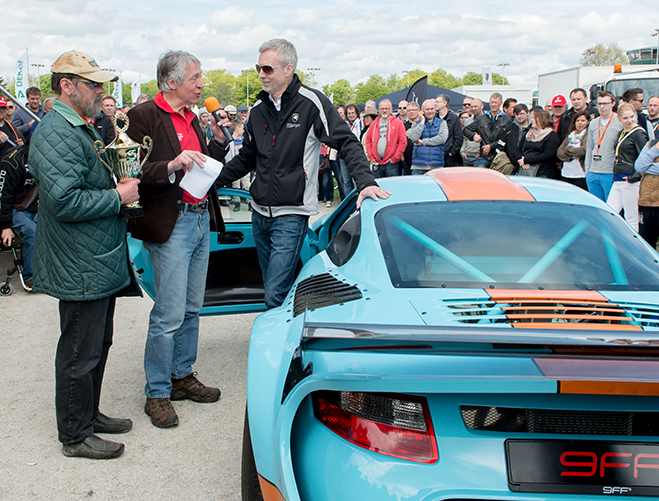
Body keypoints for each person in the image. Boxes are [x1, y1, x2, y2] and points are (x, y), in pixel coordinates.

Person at [215, 38, 389, 309]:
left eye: (267, 69)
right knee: (275, 288)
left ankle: (282, 348)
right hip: (258, 215)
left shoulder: (312, 102)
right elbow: (246, 159)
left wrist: (365, 182)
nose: (261, 74)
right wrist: (211, 183)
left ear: (288, 69)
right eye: (258, 68)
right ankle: (298, 331)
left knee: (274, 293)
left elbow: (346, 142)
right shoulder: (258, 111)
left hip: (292, 215)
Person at [28, 50, 140, 460]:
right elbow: (64, 202)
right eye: (93, 84)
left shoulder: (75, 127)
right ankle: (75, 435)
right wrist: (117, 195)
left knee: (97, 342)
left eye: (101, 85)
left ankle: (88, 415)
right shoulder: (57, 131)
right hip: (80, 263)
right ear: (66, 86)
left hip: (92, 258)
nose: (100, 91)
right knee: (80, 350)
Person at [126, 50, 229, 430]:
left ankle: (182, 376)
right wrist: (171, 164)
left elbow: (206, 164)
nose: (202, 83)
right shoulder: (143, 117)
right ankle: (157, 392)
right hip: (172, 224)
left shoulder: (193, 118)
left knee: (191, 307)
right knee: (168, 314)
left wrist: (217, 140)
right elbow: (132, 168)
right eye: (196, 77)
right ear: (172, 82)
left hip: (200, 219)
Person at [0, 145, 37, 287]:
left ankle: (49, 272)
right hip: (13, 210)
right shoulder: (11, 163)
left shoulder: (47, 158)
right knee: (32, 231)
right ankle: (30, 276)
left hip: (35, 206)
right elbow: (0, 197)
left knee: (54, 226)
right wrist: (5, 225)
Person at [608, 103, 648, 231]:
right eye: (625, 118)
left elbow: (645, 157)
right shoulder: (622, 132)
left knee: (631, 217)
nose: (629, 120)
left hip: (629, 179)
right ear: (619, 118)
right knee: (610, 212)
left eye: (632, 116)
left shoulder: (639, 133)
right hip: (618, 178)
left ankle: (634, 246)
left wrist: (634, 177)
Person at [585, 91, 623, 201]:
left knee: (611, 206)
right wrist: (588, 171)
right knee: (596, 205)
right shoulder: (593, 122)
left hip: (610, 172)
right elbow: (589, 147)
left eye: (605, 103)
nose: (602, 107)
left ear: (613, 103)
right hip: (593, 171)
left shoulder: (619, 121)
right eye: (599, 103)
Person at [635, 118, 659, 249]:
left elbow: (644, 167)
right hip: (646, 200)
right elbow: (639, 166)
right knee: (646, 243)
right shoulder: (651, 144)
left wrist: (647, 167)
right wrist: (657, 147)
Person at [463, 93, 511, 167]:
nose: (493, 104)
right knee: (479, 176)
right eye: (492, 102)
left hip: (500, 156)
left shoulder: (507, 119)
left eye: (496, 102)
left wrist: (491, 146)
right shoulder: (481, 119)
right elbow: (466, 130)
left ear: (501, 103)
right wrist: (473, 136)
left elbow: (507, 139)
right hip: (484, 157)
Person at [365, 99, 407, 178]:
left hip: (391, 163)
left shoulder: (398, 123)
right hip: (376, 163)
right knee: (378, 188)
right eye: (382, 109)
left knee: (392, 187)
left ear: (391, 109)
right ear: (379, 110)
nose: (384, 110)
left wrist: (395, 158)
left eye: (386, 108)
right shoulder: (373, 124)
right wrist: (371, 157)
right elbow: (368, 141)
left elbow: (402, 142)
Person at [517, 109, 560, 178]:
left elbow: (548, 155)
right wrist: (521, 160)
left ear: (541, 119)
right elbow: (518, 149)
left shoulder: (552, 136)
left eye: (533, 118)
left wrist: (527, 160)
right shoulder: (528, 133)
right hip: (524, 170)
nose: (531, 120)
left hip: (542, 172)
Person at [408, 98, 448, 174]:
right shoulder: (417, 123)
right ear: (422, 111)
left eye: (432, 109)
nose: (430, 111)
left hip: (436, 166)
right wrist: (422, 122)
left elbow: (442, 138)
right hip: (418, 166)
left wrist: (423, 142)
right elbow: (413, 137)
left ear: (435, 109)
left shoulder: (442, 123)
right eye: (427, 109)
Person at [556, 110, 590, 190]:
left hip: (581, 173)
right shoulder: (570, 135)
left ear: (588, 122)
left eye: (583, 120)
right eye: (577, 120)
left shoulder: (588, 135)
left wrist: (567, 149)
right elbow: (559, 152)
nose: (580, 123)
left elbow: (583, 150)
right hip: (567, 172)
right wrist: (570, 157)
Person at [434, 94, 463, 167]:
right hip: (436, 154)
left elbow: (458, 137)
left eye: (438, 102)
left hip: (449, 156)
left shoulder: (454, 118)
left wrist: (452, 152)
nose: (435, 104)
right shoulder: (434, 118)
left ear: (444, 103)